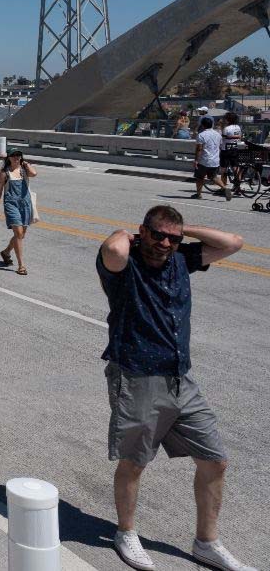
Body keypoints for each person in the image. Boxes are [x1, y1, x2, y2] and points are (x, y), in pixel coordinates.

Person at [96, 206, 249, 571]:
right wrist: (133, 235)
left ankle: (206, 543)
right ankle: (126, 533)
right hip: (137, 378)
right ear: (142, 232)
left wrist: (182, 233)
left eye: (171, 238)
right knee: (134, 463)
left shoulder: (182, 259)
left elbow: (234, 242)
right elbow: (114, 249)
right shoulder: (125, 266)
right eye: (157, 234)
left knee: (215, 460)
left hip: (181, 379)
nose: (164, 243)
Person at [0, 149, 37, 275]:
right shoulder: (4, 173)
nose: (17, 157)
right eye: (14, 155)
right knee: (18, 233)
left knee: (21, 234)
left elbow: (34, 173)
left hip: (26, 204)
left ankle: (6, 252)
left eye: (19, 155)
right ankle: (21, 265)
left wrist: (27, 164)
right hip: (11, 204)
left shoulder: (24, 170)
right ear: (9, 158)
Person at [192, 117, 226, 200]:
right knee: (213, 177)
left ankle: (198, 194)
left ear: (203, 125)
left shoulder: (201, 135)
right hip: (215, 160)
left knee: (200, 177)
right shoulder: (218, 134)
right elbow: (220, 146)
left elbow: (199, 149)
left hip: (204, 160)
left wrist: (196, 160)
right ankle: (225, 188)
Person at [219, 112, 245, 194]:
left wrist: (221, 126)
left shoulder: (226, 129)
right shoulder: (237, 127)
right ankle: (238, 187)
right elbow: (239, 136)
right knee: (235, 168)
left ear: (228, 119)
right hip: (234, 148)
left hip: (225, 149)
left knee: (223, 169)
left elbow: (222, 138)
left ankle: (223, 188)